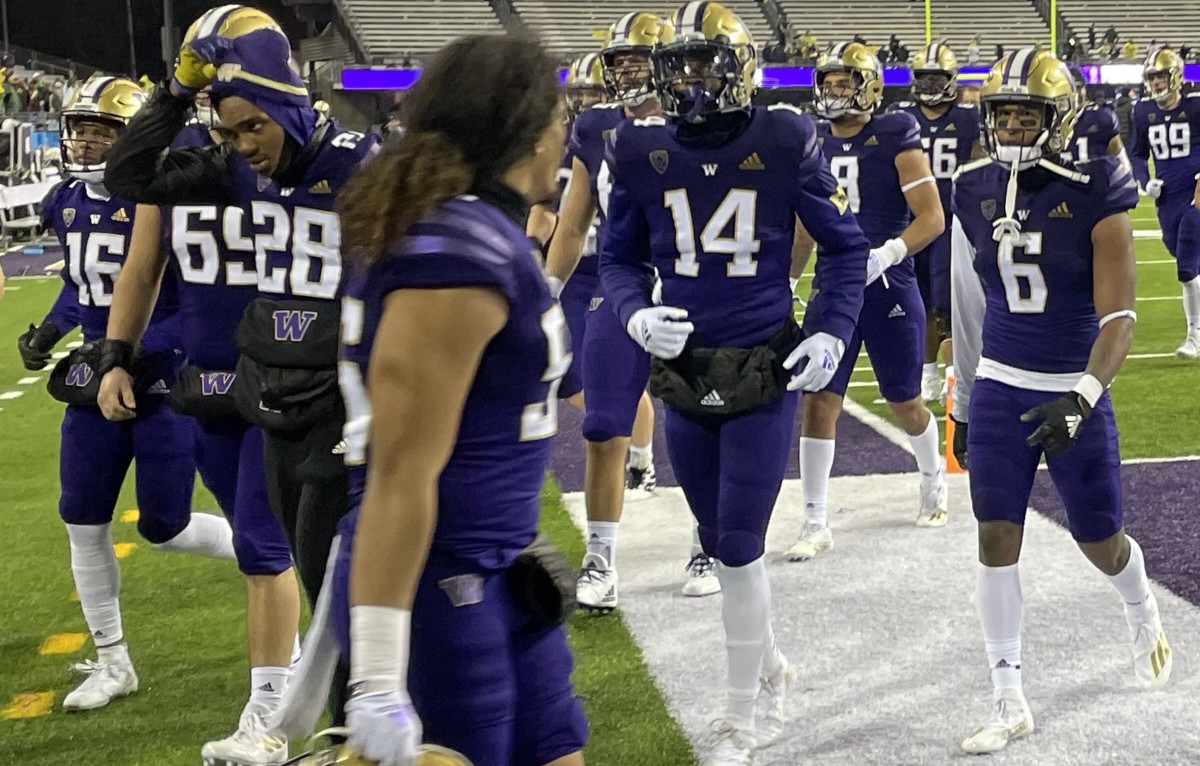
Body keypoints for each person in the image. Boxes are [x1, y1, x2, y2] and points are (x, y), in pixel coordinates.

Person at [99, 1, 380, 737]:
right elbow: (129, 175)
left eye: (253, 126)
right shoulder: (233, 169)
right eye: (229, 131)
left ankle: (345, 727)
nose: (243, 145)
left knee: (340, 575)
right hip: (274, 390)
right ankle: (349, 731)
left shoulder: (359, 160)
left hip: (345, 401)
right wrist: (169, 93)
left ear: (289, 103)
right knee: (317, 574)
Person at [600, 3, 869, 762]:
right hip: (681, 370)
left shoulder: (783, 136)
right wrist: (631, 315)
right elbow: (619, 260)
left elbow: (845, 249)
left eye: (703, 62)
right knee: (719, 542)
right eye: (677, 64)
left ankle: (740, 715)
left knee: (742, 543)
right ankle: (772, 668)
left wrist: (829, 327)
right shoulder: (637, 147)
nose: (688, 79)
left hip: (759, 363)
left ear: (738, 66)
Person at [323, 34, 587, 766]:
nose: (566, 134)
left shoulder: (469, 228)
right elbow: (401, 470)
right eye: (559, 117)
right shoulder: (453, 248)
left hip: (497, 559)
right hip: (437, 579)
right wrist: (376, 676)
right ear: (528, 131)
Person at [97, 11, 305, 762]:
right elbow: (142, 265)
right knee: (268, 547)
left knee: (260, 545)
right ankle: (306, 667)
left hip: (291, 378)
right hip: (208, 376)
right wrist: (118, 353)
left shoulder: (297, 152)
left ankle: (271, 717)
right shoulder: (191, 155)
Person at [951, 48, 1171, 754]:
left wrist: (1080, 395)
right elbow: (968, 298)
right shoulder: (971, 184)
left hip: (1073, 387)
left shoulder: (1098, 184)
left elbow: (1119, 320)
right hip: (998, 384)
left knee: (1099, 541)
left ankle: (1141, 610)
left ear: (1058, 118)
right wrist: (959, 398)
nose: (1013, 126)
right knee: (994, 535)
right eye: (1003, 114)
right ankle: (1008, 695)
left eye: (1028, 114)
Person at [16, 75, 238, 713]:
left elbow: (180, 293)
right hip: (95, 371)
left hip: (159, 372)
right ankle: (113, 661)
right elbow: (83, 283)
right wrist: (54, 329)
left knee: (164, 526)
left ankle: (264, 559)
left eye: (101, 132)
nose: (86, 142)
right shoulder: (66, 200)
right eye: (80, 130)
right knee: (81, 517)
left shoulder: (166, 196)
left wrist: (130, 355)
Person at [546, 12, 720, 611]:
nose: (624, 73)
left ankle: (707, 541)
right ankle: (601, 557)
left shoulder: (703, 120)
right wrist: (546, 291)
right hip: (617, 285)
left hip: (692, 284)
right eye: (617, 63)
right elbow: (571, 224)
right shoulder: (595, 127)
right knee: (602, 423)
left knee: (702, 418)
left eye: (636, 62)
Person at [785, 41, 946, 565]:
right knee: (819, 398)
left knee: (904, 399)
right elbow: (806, 225)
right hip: (835, 283)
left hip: (887, 281)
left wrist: (890, 252)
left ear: (870, 86)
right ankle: (814, 518)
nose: (834, 92)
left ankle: (932, 476)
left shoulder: (896, 132)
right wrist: (788, 280)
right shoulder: (812, 141)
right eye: (828, 83)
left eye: (843, 83)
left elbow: (932, 217)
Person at [887, 42, 984, 403]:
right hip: (909, 223)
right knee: (918, 302)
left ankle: (954, 375)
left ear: (951, 80)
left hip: (953, 223)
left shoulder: (968, 119)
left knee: (948, 305)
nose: (929, 85)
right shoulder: (900, 118)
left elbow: (979, 172)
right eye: (923, 78)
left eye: (936, 78)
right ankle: (926, 373)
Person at [1128, 47, 1200, 358]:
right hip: (1167, 197)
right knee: (1181, 253)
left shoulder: (1196, 106)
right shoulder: (1142, 112)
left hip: (1195, 191)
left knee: (1186, 265)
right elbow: (1137, 154)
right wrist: (1145, 181)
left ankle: (1194, 337)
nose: (1156, 83)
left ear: (1176, 77)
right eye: (1151, 77)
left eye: (1160, 76)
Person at [1063, 67, 1126, 164]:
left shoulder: (1102, 117)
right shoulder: (1049, 120)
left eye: (1079, 87)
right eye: (1071, 88)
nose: (1076, 94)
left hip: (1095, 178)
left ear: (1085, 89)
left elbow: (1121, 161)